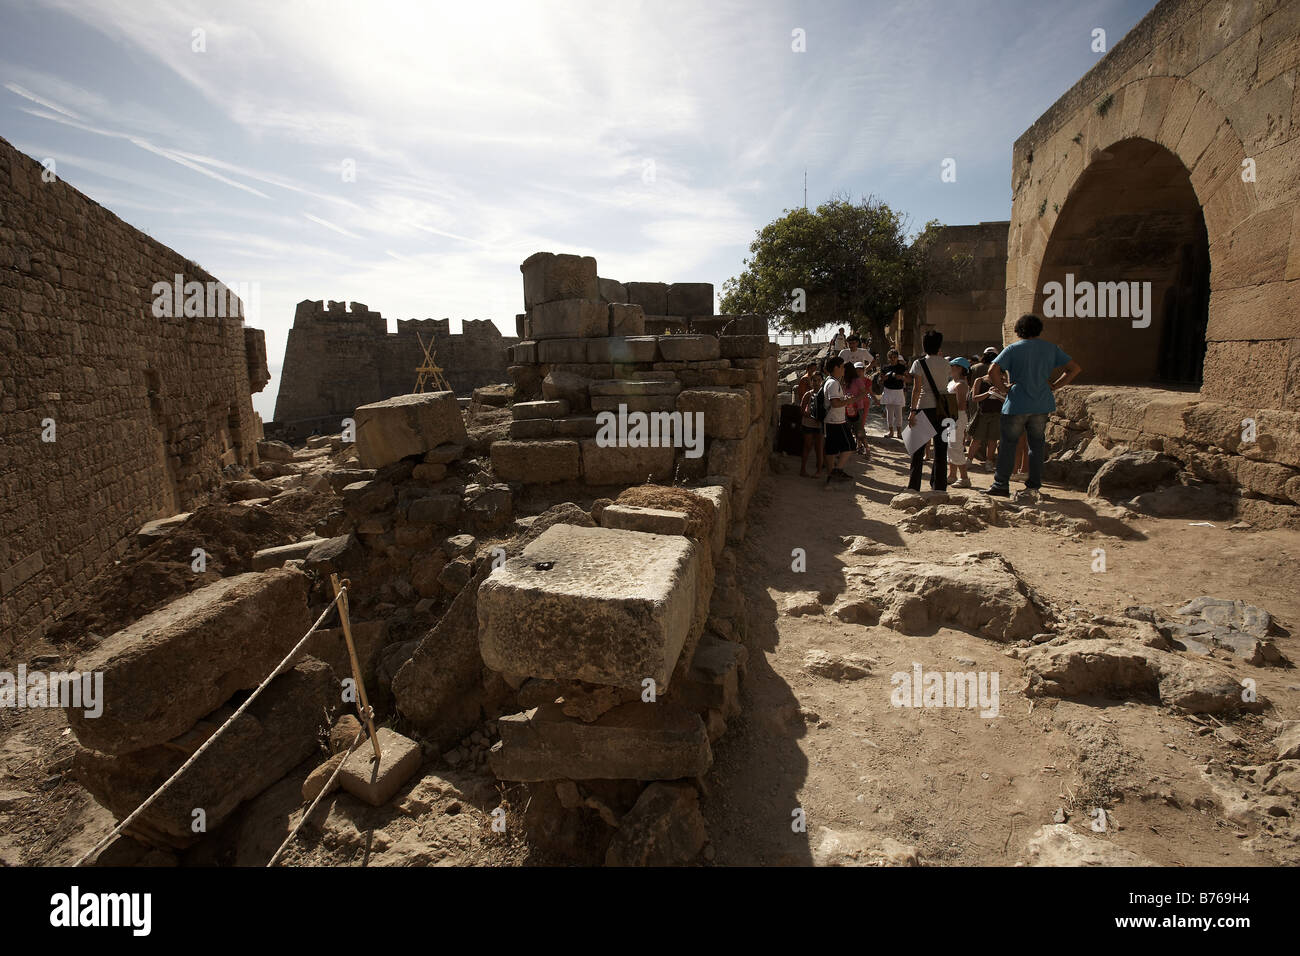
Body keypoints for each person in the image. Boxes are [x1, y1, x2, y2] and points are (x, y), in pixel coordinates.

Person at [987, 314, 1083, 498]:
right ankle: (1033, 486)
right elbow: (1075, 368)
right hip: (1041, 403)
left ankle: (1001, 484)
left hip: (1016, 403)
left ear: (1019, 330)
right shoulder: (1050, 348)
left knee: (1008, 445)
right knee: (1036, 446)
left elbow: (993, 370)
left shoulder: (1013, 348)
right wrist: (1056, 385)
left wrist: (1004, 389)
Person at [906, 330, 951, 492]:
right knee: (941, 450)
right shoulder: (946, 363)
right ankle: (939, 487)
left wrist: (912, 411)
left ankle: (913, 486)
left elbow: (916, 389)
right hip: (944, 409)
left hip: (924, 406)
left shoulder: (919, 364)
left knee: (917, 450)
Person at [821, 356, 855, 484]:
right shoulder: (833, 383)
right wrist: (849, 400)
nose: (843, 369)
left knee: (832, 449)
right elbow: (835, 403)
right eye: (842, 367)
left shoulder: (831, 382)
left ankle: (831, 475)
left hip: (833, 420)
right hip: (835, 421)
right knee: (850, 445)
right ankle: (837, 471)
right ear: (836, 368)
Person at [969, 356, 1004, 472]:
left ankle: (989, 461)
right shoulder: (980, 380)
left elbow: (1006, 399)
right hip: (983, 413)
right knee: (977, 438)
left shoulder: (1002, 382)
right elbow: (974, 398)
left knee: (992, 439)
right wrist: (988, 393)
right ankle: (969, 460)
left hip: (997, 414)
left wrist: (999, 395)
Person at [946, 358, 973, 488]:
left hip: (956, 417)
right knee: (950, 446)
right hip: (950, 417)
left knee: (955, 446)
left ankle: (964, 477)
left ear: (960, 368)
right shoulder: (952, 382)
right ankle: (952, 475)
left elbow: (961, 405)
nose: (950, 368)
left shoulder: (961, 384)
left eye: (952, 366)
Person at [796, 363, 825, 478]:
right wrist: (808, 414)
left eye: (818, 380)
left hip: (819, 425)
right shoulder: (808, 394)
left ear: (822, 381)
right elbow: (802, 409)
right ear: (811, 381)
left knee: (819, 448)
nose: (816, 382)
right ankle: (803, 469)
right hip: (808, 423)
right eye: (814, 380)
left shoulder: (824, 394)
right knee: (807, 446)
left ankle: (818, 471)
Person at [879, 348, 909, 439]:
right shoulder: (885, 367)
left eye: (894, 357)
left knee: (899, 413)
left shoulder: (902, 367)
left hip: (898, 391)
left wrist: (902, 377)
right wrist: (884, 378)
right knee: (889, 413)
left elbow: (908, 379)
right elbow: (880, 380)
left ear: (897, 357)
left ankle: (899, 433)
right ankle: (891, 432)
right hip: (888, 390)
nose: (893, 359)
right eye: (891, 357)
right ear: (888, 358)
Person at [844, 361, 871, 460]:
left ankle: (867, 450)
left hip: (857, 408)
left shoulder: (857, 380)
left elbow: (864, 393)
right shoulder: (844, 380)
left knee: (859, 431)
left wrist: (854, 399)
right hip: (846, 408)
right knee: (847, 430)